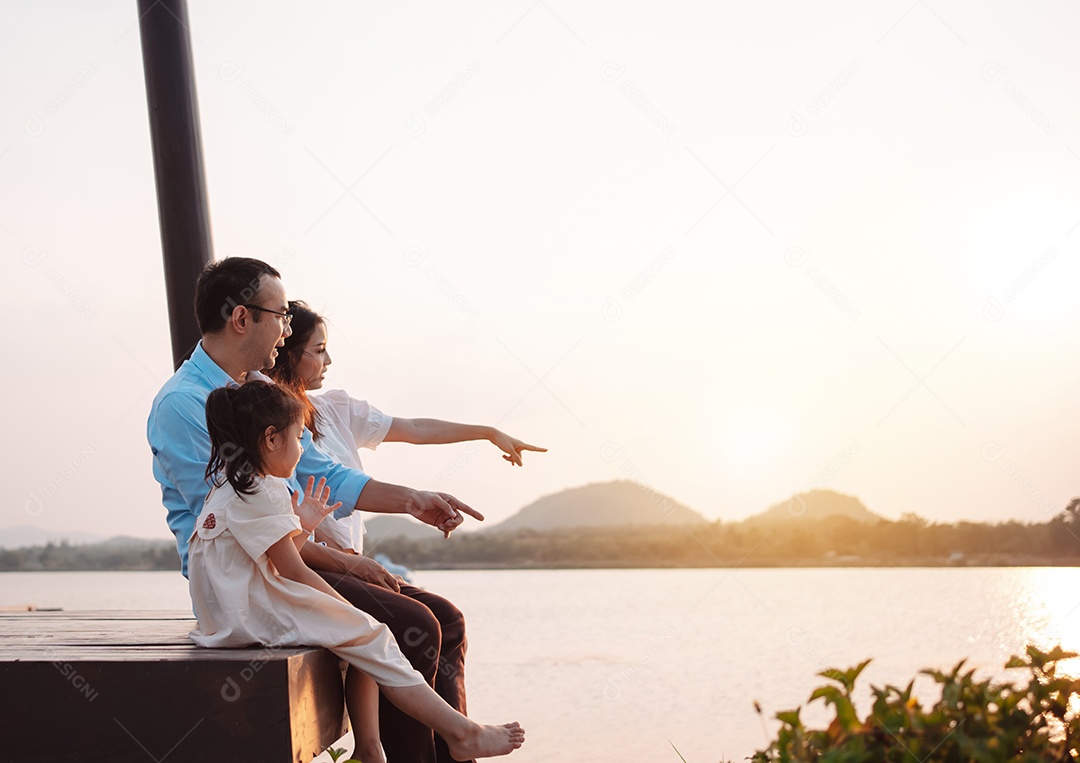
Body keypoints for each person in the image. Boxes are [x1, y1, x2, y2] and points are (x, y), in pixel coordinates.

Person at [147, 257, 486, 763]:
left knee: (446, 619)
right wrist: (351, 562)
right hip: (254, 580)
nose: (287, 329)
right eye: (281, 315)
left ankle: (456, 752)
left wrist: (414, 500)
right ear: (242, 319)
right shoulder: (184, 404)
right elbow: (246, 531)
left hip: (294, 555)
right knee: (412, 625)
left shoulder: (261, 392)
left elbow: (321, 473)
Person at [190, 381, 524, 760]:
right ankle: (459, 734)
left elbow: (271, 549)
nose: (301, 451)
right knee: (374, 633)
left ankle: (376, 745)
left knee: (366, 633)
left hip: (229, 612)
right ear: (270, 439)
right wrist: (342, 606)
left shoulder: (233, 484)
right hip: (253, 614)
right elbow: (295, 570)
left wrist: (306, 525)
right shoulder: (262, 492)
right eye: (299, 439)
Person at [267, 299, 546, 557]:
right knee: (433, 613)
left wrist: (489, 433)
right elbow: (333, 482)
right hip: (316, 562)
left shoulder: (337, 409)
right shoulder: (271, 422)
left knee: (437, 612)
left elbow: (415, 429)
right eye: (319, 350)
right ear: (288, 354)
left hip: (352, 561)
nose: (328, 360)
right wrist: (415, 501)